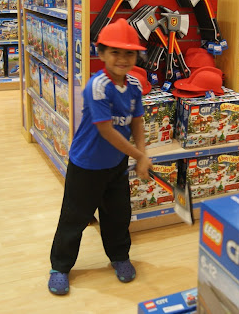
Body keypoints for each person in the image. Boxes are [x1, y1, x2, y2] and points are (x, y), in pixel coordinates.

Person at [48, 18, 152, 295]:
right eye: (115, 52)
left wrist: (142, 153)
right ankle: (60, 266)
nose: (123, 59)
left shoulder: (134, 85)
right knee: (74, 218)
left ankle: (119, 256)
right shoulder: (97, 86)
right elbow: (106, 131)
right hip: (87, 165)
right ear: (101, 53)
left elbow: (137, 121)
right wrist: (138, 155)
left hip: (116, 165)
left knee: (118, 214)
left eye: (129, 53)